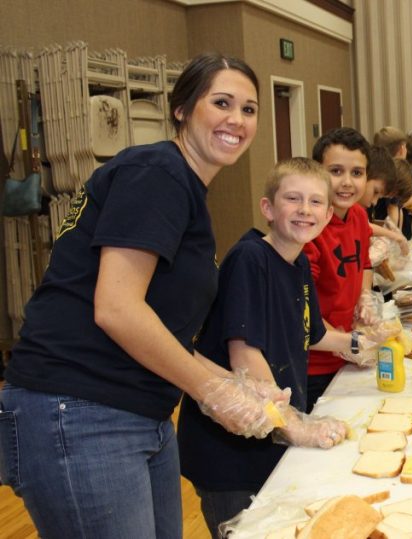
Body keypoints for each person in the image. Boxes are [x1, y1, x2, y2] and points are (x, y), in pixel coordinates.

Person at [0, 53, 278, 538]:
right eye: (222, 103)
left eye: (249, 109)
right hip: (79, 407)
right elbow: (117, 309)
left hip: (139, 410)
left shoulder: (183, 187)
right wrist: (211, 391)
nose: (237, 119)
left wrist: (243, 389)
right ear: (183, 109)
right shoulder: (158, 172)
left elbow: (160, 333)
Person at [177, 158, 375, 536]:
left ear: (328, 212)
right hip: (230, 450)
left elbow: (313, 333)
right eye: (293, 199)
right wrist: (294, 424)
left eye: (316, 202)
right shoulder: (250, 259)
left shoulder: (297, 261)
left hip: (269, 432)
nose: (305, 210)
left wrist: (363, 344)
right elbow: (244, 356)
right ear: (268, 208)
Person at [304, 127, 378, 409]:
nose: (347, 182)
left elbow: (365, 262)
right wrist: (352, 343)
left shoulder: (358, 215)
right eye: (336, 171)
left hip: (346, 354)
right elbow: (304, 312)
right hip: (314, 364)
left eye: (357, 173)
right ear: (318, 173)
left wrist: (364, 297)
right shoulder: (310, 229)